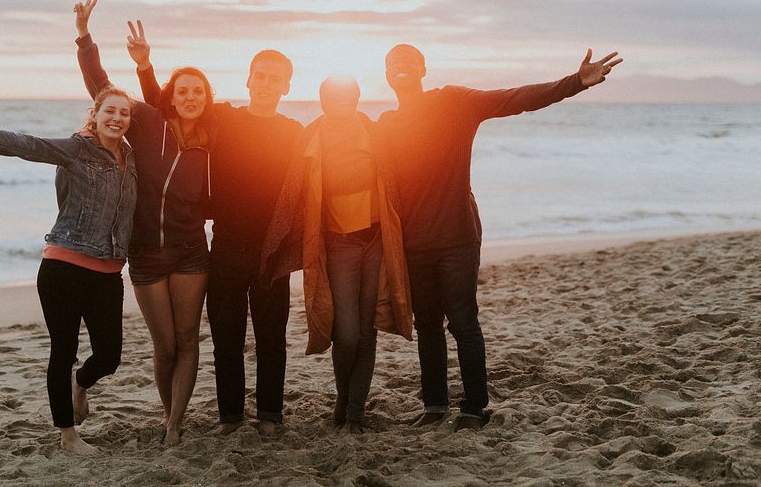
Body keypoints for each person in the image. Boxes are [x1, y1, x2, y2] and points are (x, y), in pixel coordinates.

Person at [378, 45, 623, 431]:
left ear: (423, 68)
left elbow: (515, 99)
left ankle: (474, 408)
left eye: (409, 63)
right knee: (426, 324)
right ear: (387, 74)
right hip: (413, 242)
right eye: (394, 65)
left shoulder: (453, 102)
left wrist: (575, 83)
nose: (402, 70)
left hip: (457, 235)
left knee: (462, 321)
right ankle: (435, 406)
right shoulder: (387, 123)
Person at [0, 85, 137, 456]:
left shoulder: (131, 158)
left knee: (110, 356)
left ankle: (80, 385)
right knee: (63, 350)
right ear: (96, 114)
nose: (117, 118)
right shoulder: (76, 149)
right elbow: (27, 145)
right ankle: (68, 437)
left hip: (108, 271)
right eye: (110, 111)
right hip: (64, 267)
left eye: (124, 113)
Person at [130, 35, 302, 437]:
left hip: (271, 253)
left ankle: (270, 416)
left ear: (286, 87)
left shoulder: (294, 131)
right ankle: (230, 418)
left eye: (274, 79)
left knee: (272, 339)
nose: (265, 84)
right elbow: (166, 108)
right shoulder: (224, 118)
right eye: (259, 76)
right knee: (227, 338)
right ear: (248, 81)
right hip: (224, 248)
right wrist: (144, 69)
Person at [72, 0, 214, 446]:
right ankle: (168, 411)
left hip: (192, 250)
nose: (190, 97)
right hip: (148, 253)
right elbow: (102, 90)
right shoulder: (149, 122)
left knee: (189, 338)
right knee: (166, 343)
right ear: (171, 96)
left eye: (199, 91)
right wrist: (84, 38)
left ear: (207, 99)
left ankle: (174, 424)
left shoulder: (214, 145)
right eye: (183, 90)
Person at [262, 74, 413, 433]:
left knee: (367, 328)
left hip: (378, 241)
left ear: (357, 98)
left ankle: (354, 413)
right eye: (333, 98)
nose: (341, 103)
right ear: (323, 100)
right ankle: (344, 399)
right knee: (346, 333)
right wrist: (274, 246)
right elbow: (291, 193)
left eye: (347, 97)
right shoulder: (311, 136)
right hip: (338, 243)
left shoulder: (376, 132)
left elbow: (403, 177)